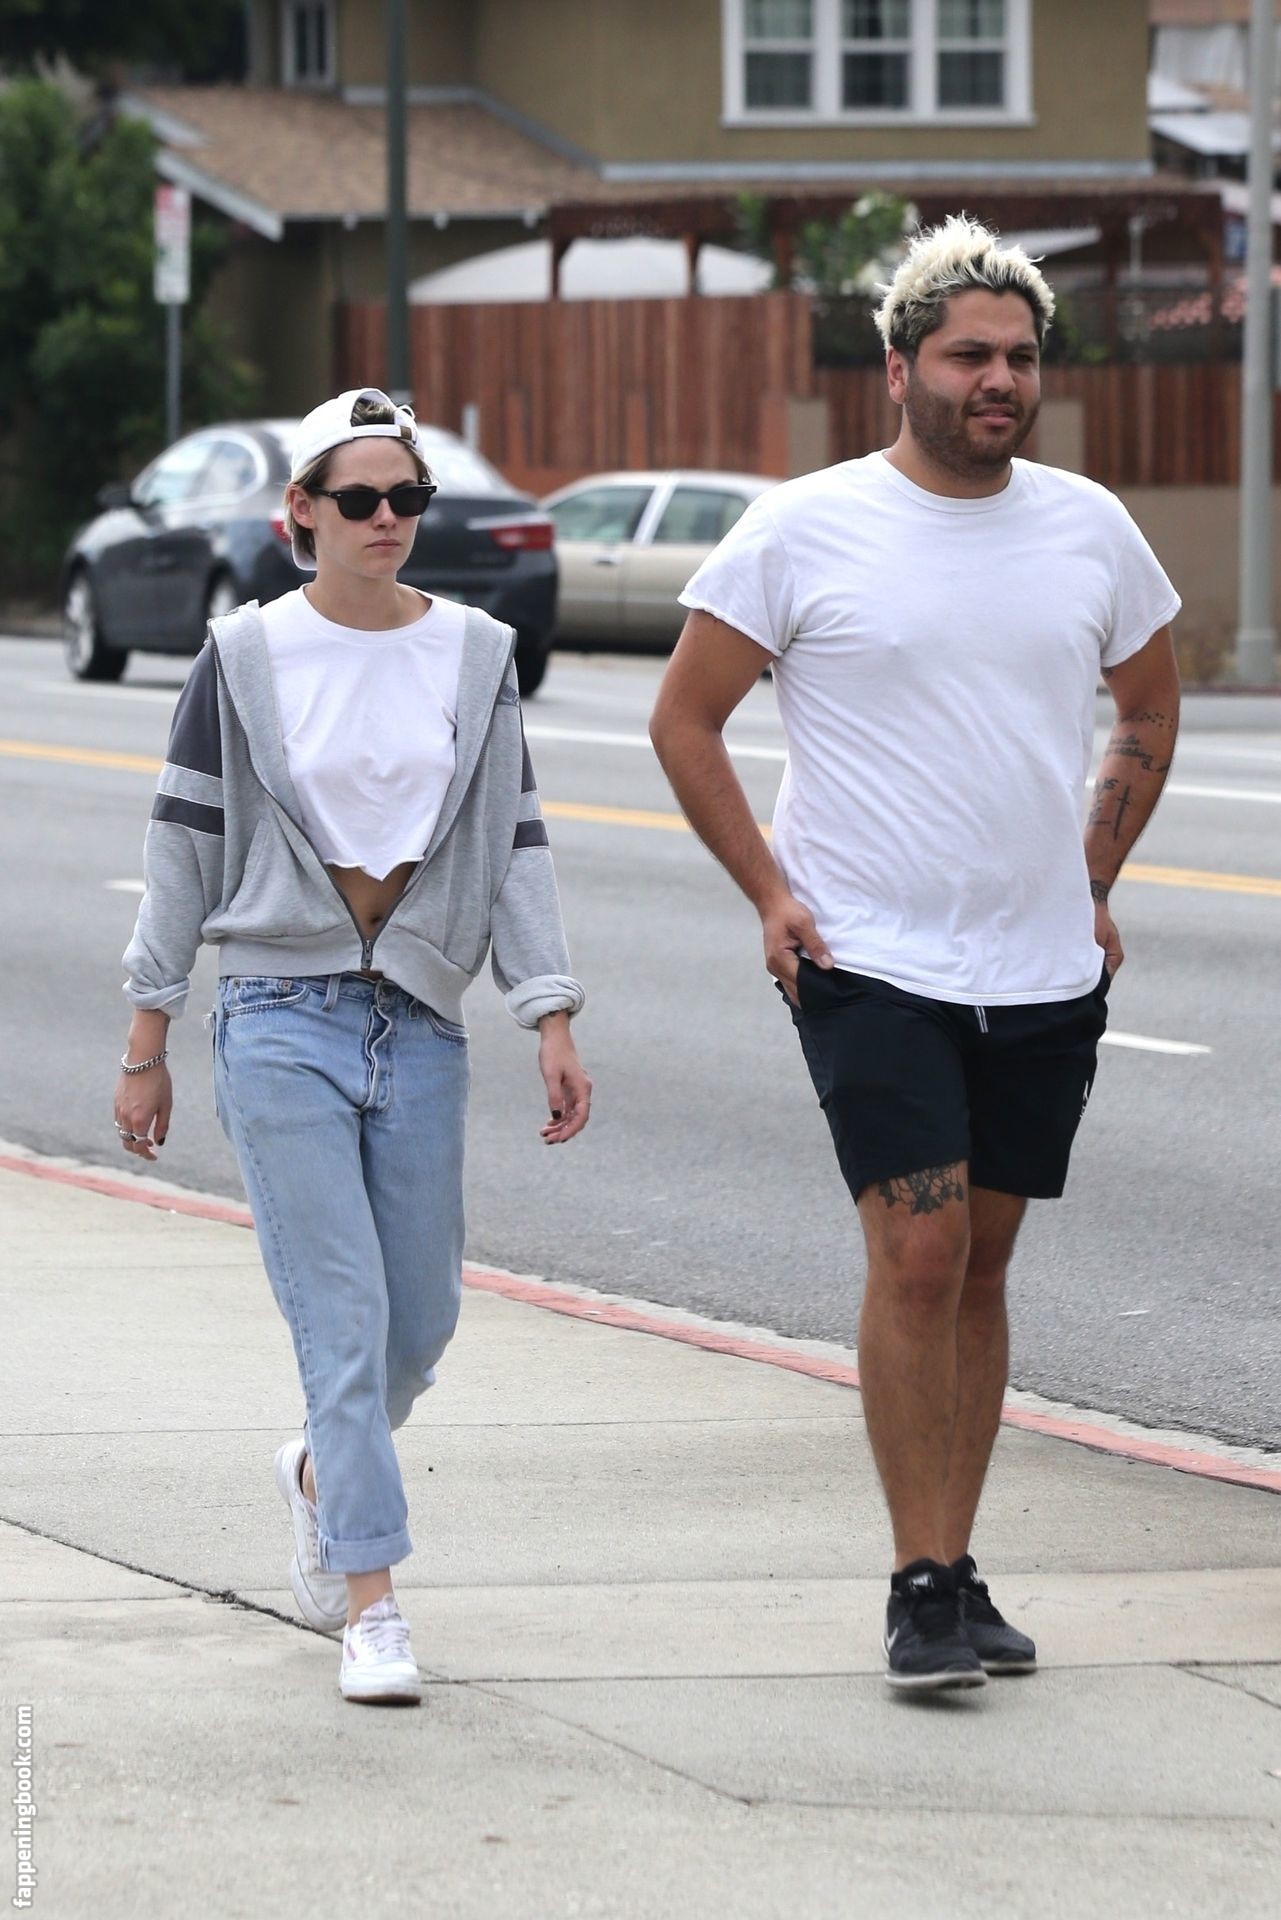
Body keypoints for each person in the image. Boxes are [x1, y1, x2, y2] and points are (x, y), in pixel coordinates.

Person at [650, 217, 1180, 1693]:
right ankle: (918, 1583)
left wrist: (1090, 874)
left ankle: (958, 1556)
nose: (998, 378)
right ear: (897, 369)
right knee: (921, 1254)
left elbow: (1146, 704)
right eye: (966, 356)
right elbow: (685, 719)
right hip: (868, 957)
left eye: (1019, 356)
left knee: (984, 1267)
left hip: (1041, 972)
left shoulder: (1089, 528)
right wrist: (768, 891)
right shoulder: (802, 528)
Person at [116, 387, 591, 1706]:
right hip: (277, 1014)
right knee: (343, 1319)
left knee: (419, 1323)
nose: (389, 519)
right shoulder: (245, 656)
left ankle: (324, 1474)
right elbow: (183, 841)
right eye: (362, 499)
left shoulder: (477, 655)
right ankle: (372, 1605)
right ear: (303, 513)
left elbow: (516, 840)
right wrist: (149, 1032)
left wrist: (547, 1008)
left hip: (420, 1018)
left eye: (407, 498)